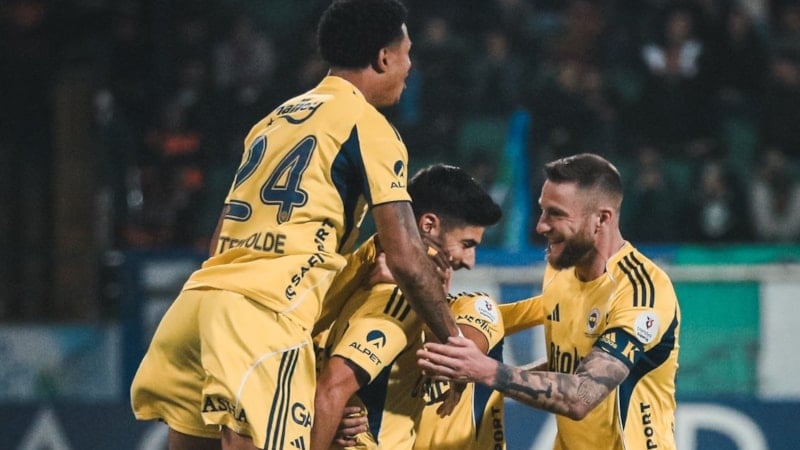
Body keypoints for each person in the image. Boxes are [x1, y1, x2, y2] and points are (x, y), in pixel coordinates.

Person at [130, 1, 462, 449]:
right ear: (384, 58)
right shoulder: (369, 127)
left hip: (198, 304)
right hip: (263, 315)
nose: (410, 65)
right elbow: (405, 255)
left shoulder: (272, 122)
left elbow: (220, 237)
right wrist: (452, 344)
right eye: (407, 53)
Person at [418, 153, 681, 450]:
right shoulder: (561, 273)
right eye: (542, 210)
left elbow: (582, 395)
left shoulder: (640, 292)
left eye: (556, 214)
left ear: (602, 219)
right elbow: (565, 362)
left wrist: (487, 371)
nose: (541, 226)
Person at [311, 164, 503, 450]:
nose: (469, 261)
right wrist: (324, 419)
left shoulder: (355, 276)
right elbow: (331, 389)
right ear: (428, 226)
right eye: (466, 244)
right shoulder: (398, 300)